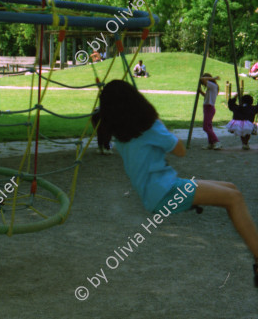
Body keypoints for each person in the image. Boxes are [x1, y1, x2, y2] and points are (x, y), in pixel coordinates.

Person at [100, 80, 258, 287]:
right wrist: (159, 125)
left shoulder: (120, 135)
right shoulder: (150, 128)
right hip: (167, 192)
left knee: (230, 188)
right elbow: (180, 151)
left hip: (158, 192)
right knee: (234, 198)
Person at [199, 73, 222, 150]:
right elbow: (207, 97)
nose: (204, 84)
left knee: (205, 127)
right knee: (209, 126)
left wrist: (214, 78)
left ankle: (216, 141)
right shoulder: (212, 87)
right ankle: (211, 143)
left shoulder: (212, 85)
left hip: (209, 107)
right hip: (207, 107)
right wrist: (201, 92)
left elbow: (201, 79)